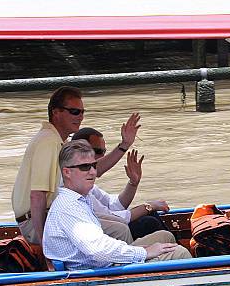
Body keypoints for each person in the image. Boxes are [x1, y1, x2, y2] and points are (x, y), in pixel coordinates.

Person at [11, 86, 141, 244]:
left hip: (54, 215)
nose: (80, 117)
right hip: (36, 221)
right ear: (56, 112)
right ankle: (130, 264)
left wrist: (124, 145)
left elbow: (93, 170)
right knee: (120, 230)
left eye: (82, 112)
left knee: (120, 225)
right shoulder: (48, 142)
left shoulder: (58, 140)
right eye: (74, 112)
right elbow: (37, 195)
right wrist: (45, 245)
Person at [43, 140, 191, 270]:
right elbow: (98, 249)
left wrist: (141, 250)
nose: (93, 172)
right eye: (85, 167)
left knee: (164, 237)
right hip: (98, 272)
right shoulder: (69, 207)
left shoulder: (81, 198)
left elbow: (114, 213)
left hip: (101, 263)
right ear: (67, 172)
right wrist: (145, 252)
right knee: (180, 253)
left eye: (94, 165)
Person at [72, 127, 169, 240]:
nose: (103, 157)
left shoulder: (89, 186)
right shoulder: (75, 187)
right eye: (98, 152)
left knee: (150, 216)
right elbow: (114, 217)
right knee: (149, 222)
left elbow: (115, 205)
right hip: (99, 236)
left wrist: (133, 182)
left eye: (104, 152)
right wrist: (149, 206)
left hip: (109, 227)